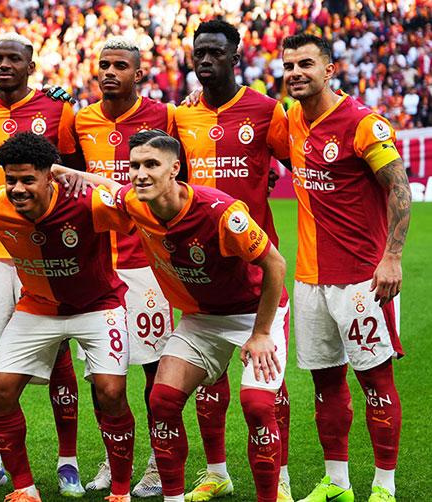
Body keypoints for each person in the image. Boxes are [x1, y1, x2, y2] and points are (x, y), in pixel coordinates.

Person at [59, 129, 289, 502]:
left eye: (151, 164)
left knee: (258, 405)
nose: (140, 174)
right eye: (135, 166)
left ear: (174, 169)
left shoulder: (221, 212)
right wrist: (68, 173)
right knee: (162, 400)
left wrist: (261, 333)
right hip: (201, 318)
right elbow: (110, 188)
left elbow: (275, 265)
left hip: (254, 314)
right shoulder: (135, 202)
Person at [0, 32, 85, 494]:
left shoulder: (58, 109)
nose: (4, 65)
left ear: (31, 65)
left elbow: (74, 174)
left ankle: (68, 461)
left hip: (44, 251)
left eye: (13, 59)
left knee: (59, 352)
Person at [282, 34, 411, 502]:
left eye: (306, 64)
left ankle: (384, 486)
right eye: (289, 65)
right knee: (325, 382)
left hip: (362, 279)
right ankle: (337, 483)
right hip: (309, 278)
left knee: (375, 380)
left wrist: (392, 257)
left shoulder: (362, 124)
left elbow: (400, 188)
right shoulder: (291, 119)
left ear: (329, 69)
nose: (296, 72)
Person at [0, 132, 136, 502]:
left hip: (98, 305)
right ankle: (24, 489)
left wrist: (83, 175)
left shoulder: (86, 199)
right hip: (38, 307)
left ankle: (120, 492)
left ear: (51, 176)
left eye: (28, 179)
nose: (18, 189)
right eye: (11, 180)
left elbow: (131, 200)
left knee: (111, 392)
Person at [174, 19, 293, 502]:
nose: (206, 60)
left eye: (216, 53)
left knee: (265, 388)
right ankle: (216, 472)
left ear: (235, 58)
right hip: (200, 269)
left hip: (257, 269)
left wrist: (264, 177)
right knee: (209, 379)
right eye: (199, 53)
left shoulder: (266, 110)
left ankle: (280, 479)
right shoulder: (181, 117)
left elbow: (299, 162)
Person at [73, 36, 175, 498]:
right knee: (102, 378)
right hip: (95, 266)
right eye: (104, 64)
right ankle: (113, 460)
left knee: (154, 371)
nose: (110, 72)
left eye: (120, 65)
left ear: (139, 73)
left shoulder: (165, 117)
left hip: (146, 265)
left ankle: (156, 464)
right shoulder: (81, 120)